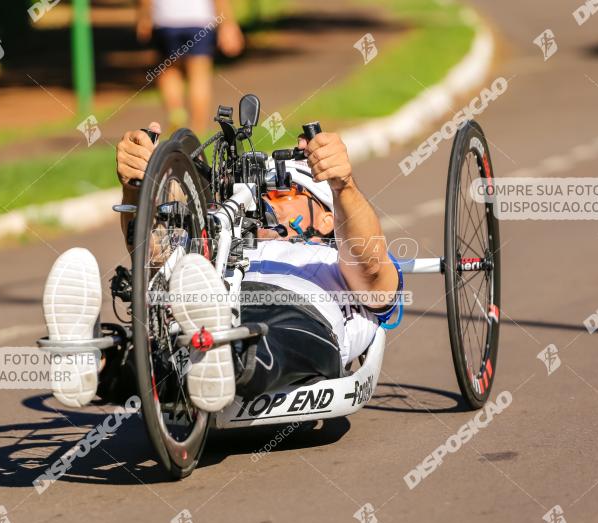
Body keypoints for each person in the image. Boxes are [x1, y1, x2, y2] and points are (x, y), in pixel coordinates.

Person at [41, 122, 399, 411]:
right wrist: (140, 186)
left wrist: (342, 186)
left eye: (280, 194)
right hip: (205, 299)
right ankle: (96, 359)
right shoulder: (214, 248)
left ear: (324, 217)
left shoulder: (331, 260)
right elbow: (151, 256)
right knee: (165, 321)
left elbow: (372, 275)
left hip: (299, 315)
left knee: (267, 335)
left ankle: (220, 353)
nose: (259, 207)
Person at [137, 0, 244, 134]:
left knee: (169, 70)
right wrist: (228, 24)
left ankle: (176, 114)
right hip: (199, 19)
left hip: (166, 19)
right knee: (199, 74)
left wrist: (144, 16)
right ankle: (197, 129)